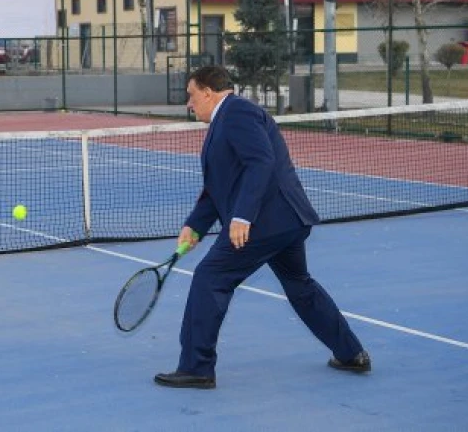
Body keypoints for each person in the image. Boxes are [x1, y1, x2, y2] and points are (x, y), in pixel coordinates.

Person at [154, 65, 370, 390]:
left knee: (210, 278)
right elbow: (220, 185)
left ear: (208, 93)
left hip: (264, 224)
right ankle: (351, 353)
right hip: (287, 222)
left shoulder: (237, 112)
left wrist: (242, 217)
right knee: (300, 285)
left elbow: (261, 161)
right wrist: (195, 226)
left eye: (191, 95)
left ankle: (197, 368)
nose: (189, 103)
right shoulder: (224, 119)